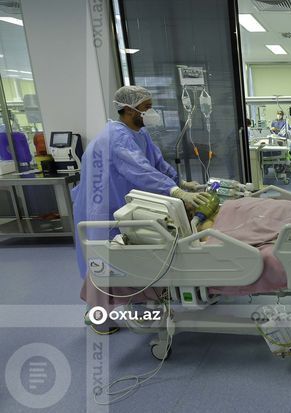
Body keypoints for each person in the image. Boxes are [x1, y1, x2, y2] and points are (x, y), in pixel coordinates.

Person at [73, 85, 209, 333]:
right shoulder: (116, 137)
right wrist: (175, 192)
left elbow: (155, 163)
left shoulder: (139, 133)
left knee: (127, 259)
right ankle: (97, 315)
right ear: (128, 110)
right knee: (104, 261)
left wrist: (179, 182)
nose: (151, 113)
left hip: (123, 201)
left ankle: (133, 300)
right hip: (101, 206)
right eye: (146, 108)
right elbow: (140, 170)